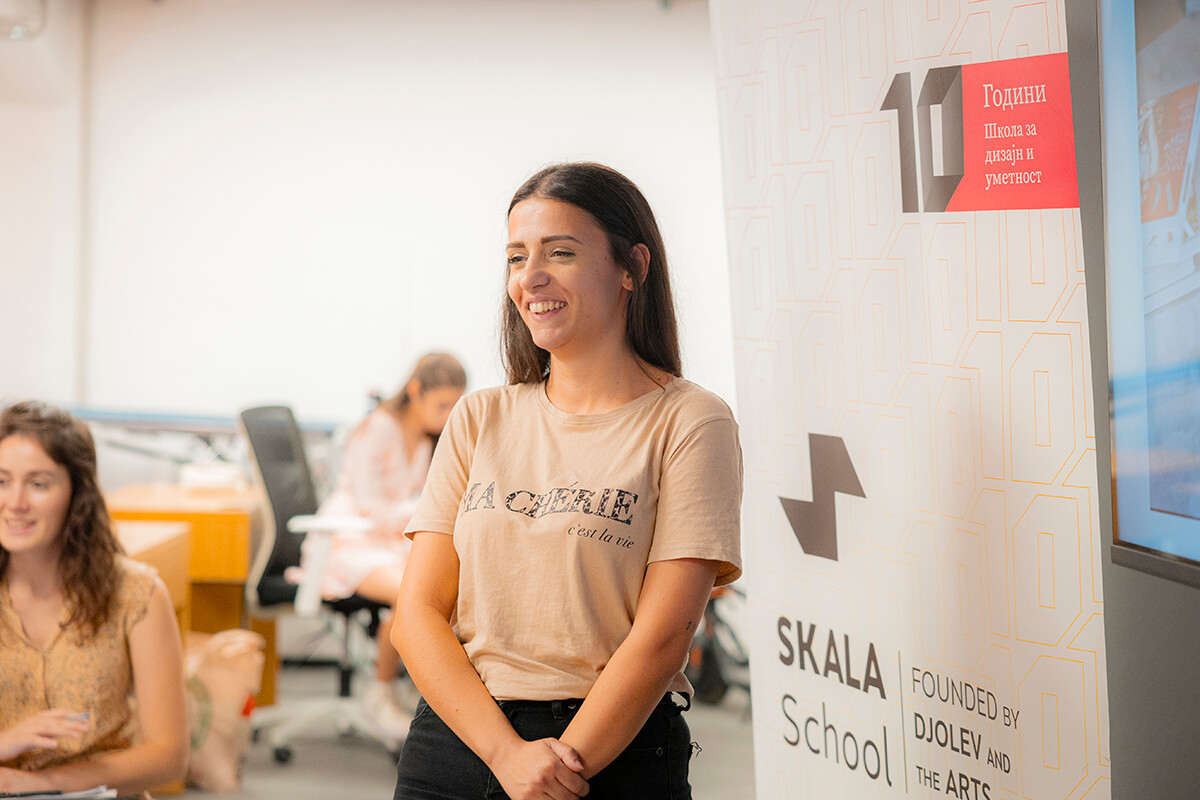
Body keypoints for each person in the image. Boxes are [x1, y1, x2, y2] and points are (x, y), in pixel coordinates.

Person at [391, 163, 743, 800]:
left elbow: (664, 638)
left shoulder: (690, 420)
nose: (530, 278)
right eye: (516, 257)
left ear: (632, 267)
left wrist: (553, 772)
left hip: (608, 751)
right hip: (458, 740)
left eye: (561, 253)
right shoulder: (478, 417)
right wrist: (504, 756)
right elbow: (416, 616)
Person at [0, 401, 187, 795]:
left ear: (77, 494)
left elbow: (168, 755)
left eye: (38, 484)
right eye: (1, 481)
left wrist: (42, 784)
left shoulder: (138, 594)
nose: (15, 502)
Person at [302, 353, 467, 736]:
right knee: (412, 592)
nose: (448, 415)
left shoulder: (426, 441)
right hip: (349, 539)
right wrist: (426, 508)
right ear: (415, 391)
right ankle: (382, 692)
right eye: (442, 405)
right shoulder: (378, 428)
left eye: (454, 406)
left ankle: (420, 690)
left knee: (449, 588)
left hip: (390, 543)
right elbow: (369, 505)